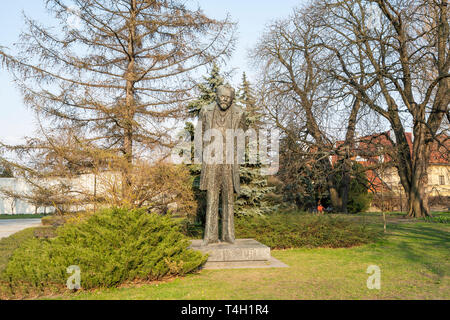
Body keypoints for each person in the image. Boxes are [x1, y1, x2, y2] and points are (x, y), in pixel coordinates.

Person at [197, 84, 247, 246]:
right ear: (216, 96)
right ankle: (209, 236)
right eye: (222, 96)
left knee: (228, 199)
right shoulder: (205, 111)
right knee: (211, 198)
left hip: (229, 162)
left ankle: (228, 235)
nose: (224, 99)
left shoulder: (240, 113)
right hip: (212, 161)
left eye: (228, 97)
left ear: (232, 98)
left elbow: (242, 138)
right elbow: (198, 137)